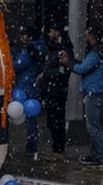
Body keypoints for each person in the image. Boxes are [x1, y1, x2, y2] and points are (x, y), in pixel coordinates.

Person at [71, 28, 103, 168]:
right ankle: (96, 154)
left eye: (86, 36)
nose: (84, 38)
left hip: (94, 93)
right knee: (97, 126)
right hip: (98, 92)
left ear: (92, 38)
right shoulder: (100, 53)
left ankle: (101, 157)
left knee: (93, 127)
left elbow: (81, 69)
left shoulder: (94, 54)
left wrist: (69, 63)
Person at [37, 25, 72, 158]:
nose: (49, 33)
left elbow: (62, 71)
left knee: (56, 120)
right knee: (52, 120)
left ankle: (58, 149)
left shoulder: (63, 48)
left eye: (51, 30)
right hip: (52, 89)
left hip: (57, 90)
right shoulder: (54, 48)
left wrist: (46, 74)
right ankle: (56, 148)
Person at [11, 28, 40, 158]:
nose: (22, 38)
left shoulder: (26, 52)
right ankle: (32, 144)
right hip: (29, 86)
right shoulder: (34, 49)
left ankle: (32, 145)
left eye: (24, 36)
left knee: (29, 118)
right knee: (31, 118)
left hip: (25, 86)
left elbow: (17, 65)